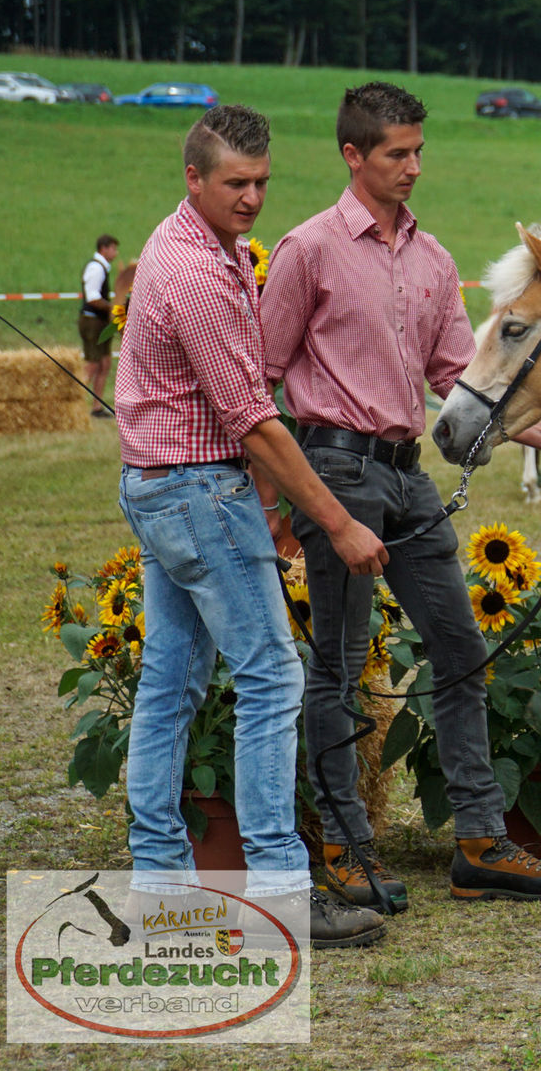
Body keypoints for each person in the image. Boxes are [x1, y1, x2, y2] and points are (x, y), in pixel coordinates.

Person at [261, 82, 541, 912]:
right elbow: (259, 379)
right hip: (331, 468)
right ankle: (342, 850)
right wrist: (272, 505)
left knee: (462, 650)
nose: (411, 168)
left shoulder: (435, 258)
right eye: (395, 154)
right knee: (336, 665)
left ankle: (479, 842)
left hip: (406, 473)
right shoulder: (307, 250)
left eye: (417, 153)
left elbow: (458, 379)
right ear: (352, 155)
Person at [113, 104, 391, 948]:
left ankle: (159, 880)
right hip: (198, 490)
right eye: (236, 182)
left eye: (263, 182)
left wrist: (267, 503)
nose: (252, 198)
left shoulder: (202, 245)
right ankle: (278, 890)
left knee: (169, 681)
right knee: (273, 676)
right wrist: (336, 522)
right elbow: (253, 418)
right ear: (192, 176)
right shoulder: (196, 272)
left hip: (166, 487)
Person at [80, 234, 121, 415]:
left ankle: (97, 406)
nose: (116, 252)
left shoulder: (102, 267)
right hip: (92, 321)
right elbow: (93, 298)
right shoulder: (96, 268)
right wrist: (113, 307)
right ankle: (75, 403)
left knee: (104, 363)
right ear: (104, 249)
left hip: (100, 321)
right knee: (93, 364)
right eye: (113, 248)